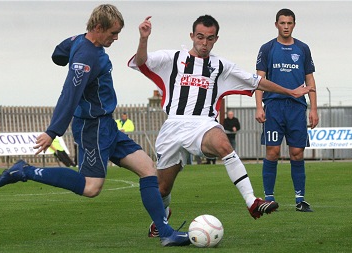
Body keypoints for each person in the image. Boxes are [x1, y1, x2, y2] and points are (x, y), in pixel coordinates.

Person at [0, 4, 190, 247]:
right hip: (92, 128)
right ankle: (25, 171)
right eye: (113, 33)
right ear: (98, 28)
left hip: (106, 124)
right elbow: (70, 94)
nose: (116, 38)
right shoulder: (86, 58)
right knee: (91, 187)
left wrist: (65, 58)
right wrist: (52, 131)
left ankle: (165, 232)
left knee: (147, 168)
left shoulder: (81, 41)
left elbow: (58, 52)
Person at [128, 15, 313, 237]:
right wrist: (143, 38)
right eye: (200, 37)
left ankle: (252, 201)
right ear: (191, 36)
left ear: (216, 39)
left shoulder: (220, 66)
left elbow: (257, 81)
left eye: (209, 38)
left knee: (224, 144)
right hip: (173, 126)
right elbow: (141, 62)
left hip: (203, 124)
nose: (204, 43)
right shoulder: (172, 58)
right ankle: (162, 216)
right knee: (162, 189)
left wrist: (290, 91)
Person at [254, 9, 319, 212]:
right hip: (273, 106)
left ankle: (300, 199)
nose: (286, 26)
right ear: (276, 25)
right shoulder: (267, 48)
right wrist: (259, 106)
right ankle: (269, 198)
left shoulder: (303, 49)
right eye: (282, 23)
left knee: (297, 153)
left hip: (296, 108)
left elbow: (310, 80)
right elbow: (259, 80)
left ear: (294, 25)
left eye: (289, 23)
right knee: (272, 152)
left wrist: (314, 108)